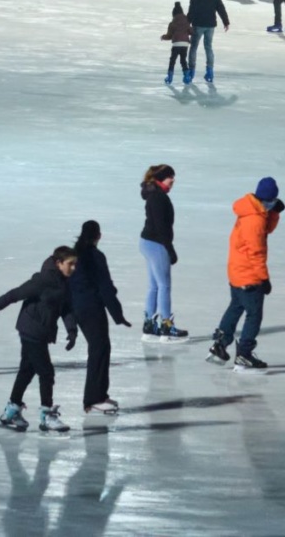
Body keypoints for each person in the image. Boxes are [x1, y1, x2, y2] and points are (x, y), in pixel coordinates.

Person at [0, 245, 77, 433]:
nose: (74, 268)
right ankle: (47, 416)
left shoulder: (65, 282)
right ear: (59, 263)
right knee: (46, 372)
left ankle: (12, 411)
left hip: (42, 331)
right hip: (31, 330)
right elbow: (16, 294)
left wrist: (72, 330)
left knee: (27, 371)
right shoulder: (43, 280)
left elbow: (66, 307)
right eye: (70, 264)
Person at [208, 176, 282, 371]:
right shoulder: (255, 219)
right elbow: (256, 253)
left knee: (236, 307)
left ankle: (220, 344)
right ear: (267, 199)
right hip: (249, 275)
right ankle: (244, 354)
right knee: (254, 315)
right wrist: (264, 279)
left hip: (237, 271)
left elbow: (267, 230)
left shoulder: (251, 210)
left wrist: (274, 213)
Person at [65, 219, 129, 415]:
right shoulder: (96, 256)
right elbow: (105, 288)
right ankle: (94, 398)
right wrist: (118, 315)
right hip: (92, 308)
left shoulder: (74, 255)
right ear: (98, 236)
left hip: (78, 308)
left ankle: (99, 394)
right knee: (99, 349)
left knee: (100, 348)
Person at [137, 164, 185, 338]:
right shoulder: (157, 197)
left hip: (147, 242)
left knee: (154, 286)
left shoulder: (154, 194)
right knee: (163, 286)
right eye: (170, 176)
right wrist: (169, 249)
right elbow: (161, 227)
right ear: (161, 178)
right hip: (156, 244)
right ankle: (166, 324)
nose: (173, 180)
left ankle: (149, 324)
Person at [187, 0, 230, 84]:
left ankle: (191, 72)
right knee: (208, 47)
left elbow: (192, 8)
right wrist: (226, 21)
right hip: (210, 25)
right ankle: (210, 72)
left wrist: (187, 23)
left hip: (198, 24)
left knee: (193, 47)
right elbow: (220, 7)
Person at [162, 2, 194, 87]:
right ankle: (187, 76)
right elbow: (191, 31)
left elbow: (169, 35)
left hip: (176, 44)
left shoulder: (172, 23)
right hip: (184, 44)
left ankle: (169, 77)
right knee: (183, 60)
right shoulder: (186, 21)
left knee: (172, 60)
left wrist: (163, 37)